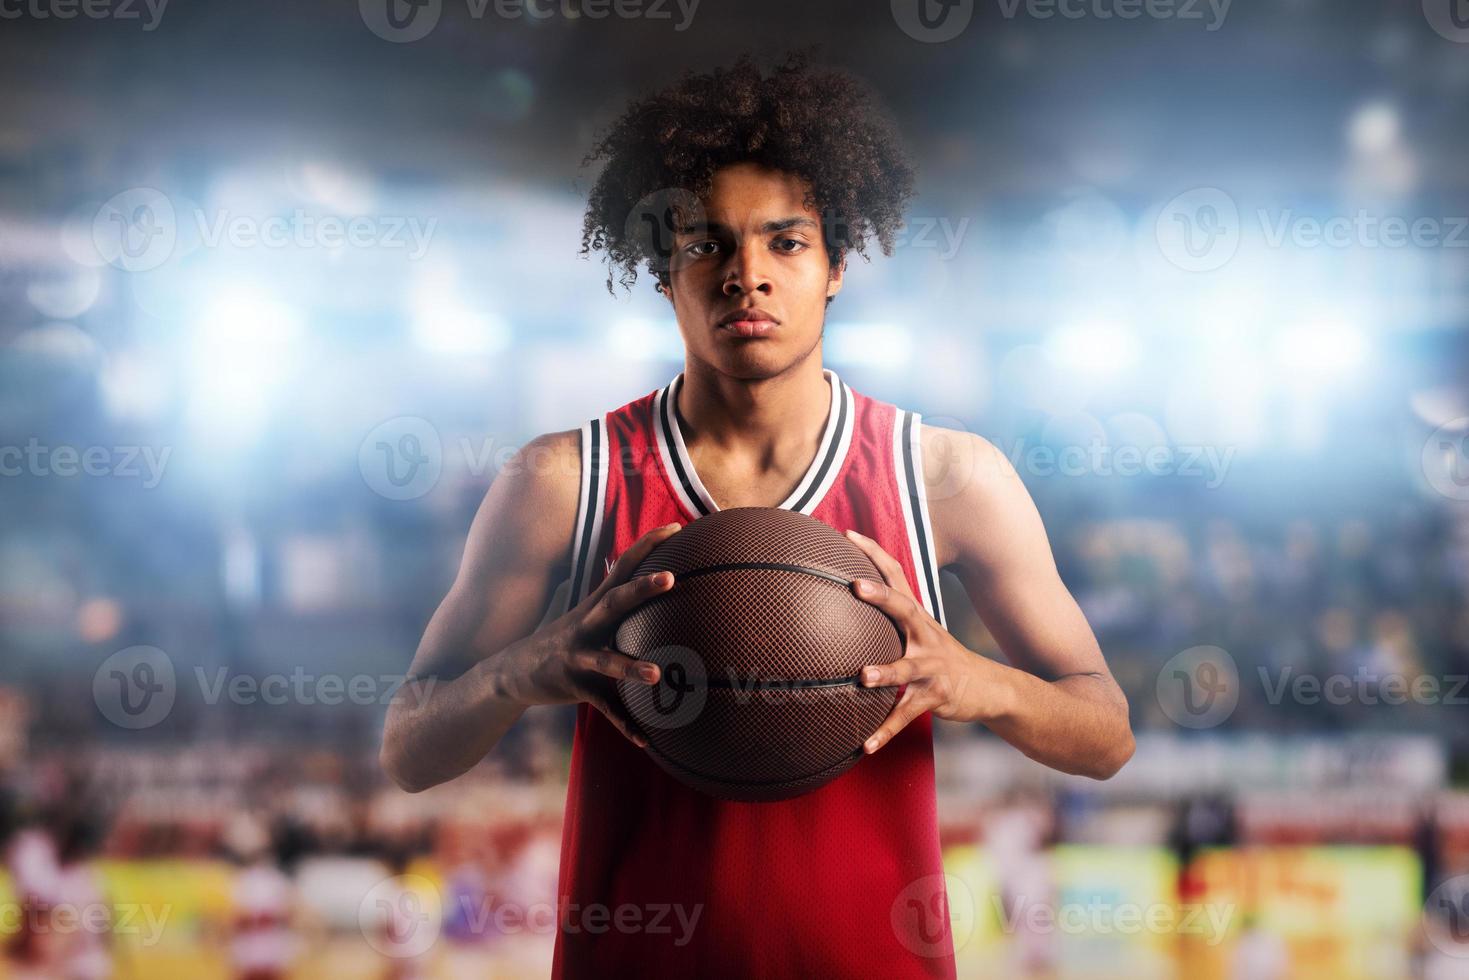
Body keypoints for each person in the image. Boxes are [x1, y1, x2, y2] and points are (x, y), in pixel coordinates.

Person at [381, 51, 1133, 978]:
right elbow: (410, 747)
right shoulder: (561, 481)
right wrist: (528, 668)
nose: (747, 276)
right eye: (707, 244)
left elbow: (1105, 734)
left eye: (785, 242)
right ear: (663, 273)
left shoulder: (945, 475)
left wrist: (971, 678)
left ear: (836, 267)